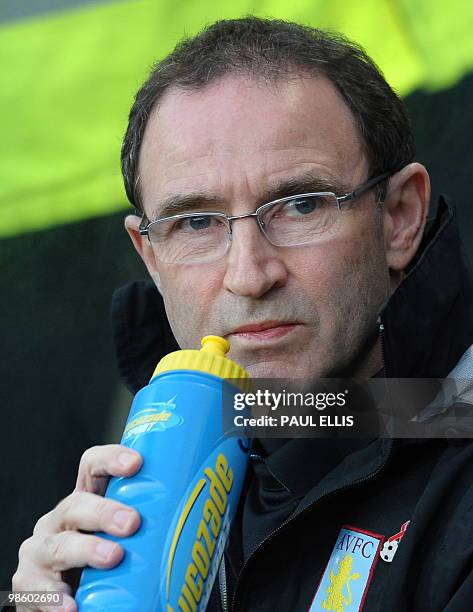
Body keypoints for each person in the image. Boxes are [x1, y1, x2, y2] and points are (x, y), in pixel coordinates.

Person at [12, 17, 473, 612]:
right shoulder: (144, 476)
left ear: (400, 217)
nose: (250, 275)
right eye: (196, 223)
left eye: (302, 206)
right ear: (150, 258)